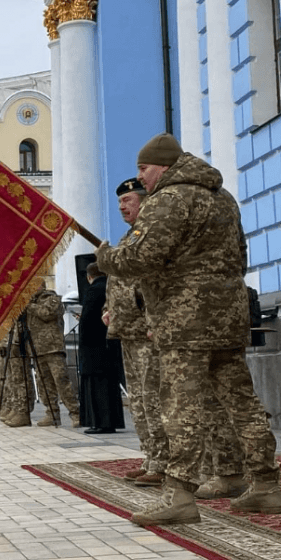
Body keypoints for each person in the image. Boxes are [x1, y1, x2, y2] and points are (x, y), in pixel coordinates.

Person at [97, 132, 281, 525]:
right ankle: (266, 486)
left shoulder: (169, 199)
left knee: (180, 405)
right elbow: (241, 256)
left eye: (144, 169)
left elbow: (141, 257)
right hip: (228, 317)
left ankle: (180, 494)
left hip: (185, 322)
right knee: (241, 402)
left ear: (163, 166)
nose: (142, 178)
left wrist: (107, 257)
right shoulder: (223, 198)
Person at [104, 177, 168, 486]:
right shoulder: (130, 238)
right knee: (139, 401)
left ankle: (164, 462)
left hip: (147, 332)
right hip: (127, 331)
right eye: (119, 203)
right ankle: (151, 456)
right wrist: (110, 309)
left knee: (153, 398)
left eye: (127, 201)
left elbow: (155, 283)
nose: (121, 207)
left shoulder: (152, 236)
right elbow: (120, 281)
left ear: (144, 201)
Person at [18, 282, 79, 427]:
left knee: (61, 381)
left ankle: (76, 413)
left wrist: (28, 305)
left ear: (40, 286)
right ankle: (52, 414)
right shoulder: (31, 304)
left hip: (53, 348)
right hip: (37, 350)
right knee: (44, 384)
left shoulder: (52, 298)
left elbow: (46, 314)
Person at [77, 263, 125, 434]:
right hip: (109, 344)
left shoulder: (92, 290)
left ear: (89, 277)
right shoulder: (110, 287)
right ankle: (111, 421)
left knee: (97, 387)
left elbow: (88, 321)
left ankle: (101, 422)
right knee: (110, 385)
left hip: (94, 348)